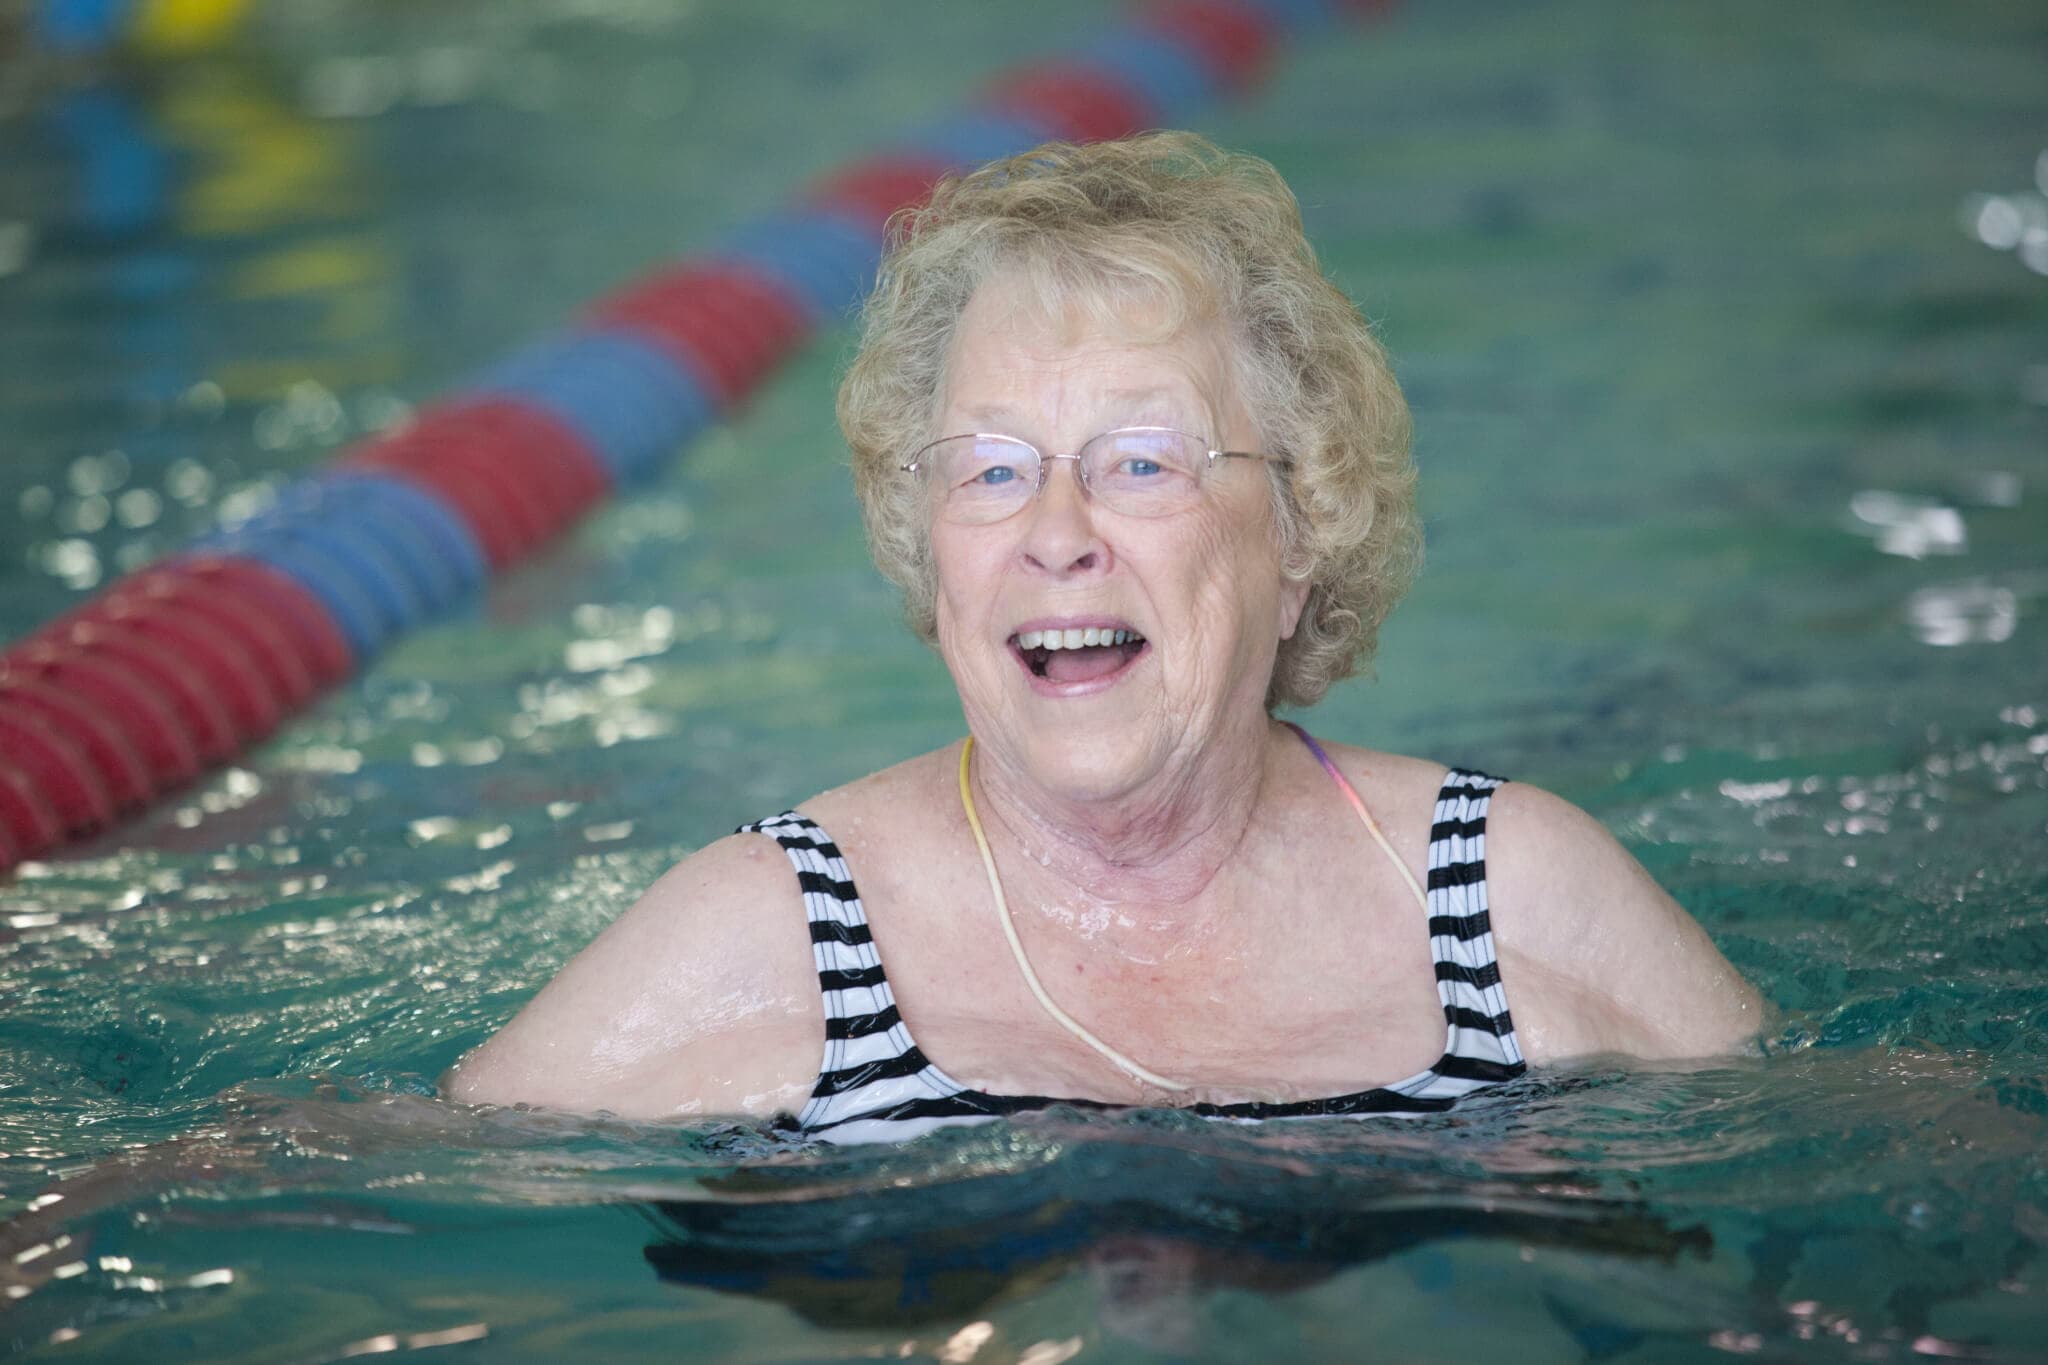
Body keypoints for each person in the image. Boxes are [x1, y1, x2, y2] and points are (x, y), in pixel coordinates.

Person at [444, 132, 1762, 1144]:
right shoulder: (769, 937)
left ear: (1300, 529)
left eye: (1141, 460)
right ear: (931, 551)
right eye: (992, 468)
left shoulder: (1510, 900)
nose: (1057, 533)